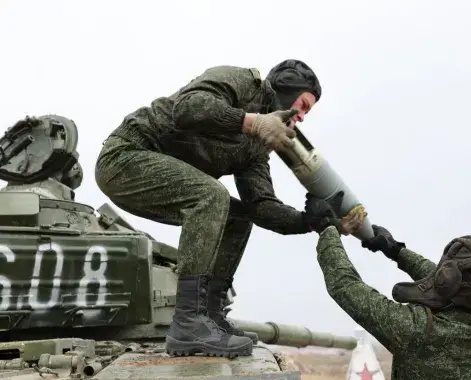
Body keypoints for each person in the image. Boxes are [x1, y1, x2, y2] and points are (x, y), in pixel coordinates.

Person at [94, 60, 365, 358]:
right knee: (211, 195)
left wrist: (312, 221)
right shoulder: (241, 82)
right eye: (302, 106)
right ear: (284, 89)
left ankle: (209, 315)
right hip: (125, 157)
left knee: (238, 217)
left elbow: (261, 207)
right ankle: (188, 321)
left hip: (158, 178)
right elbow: (187, 108)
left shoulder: (256, 148)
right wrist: (253, 122)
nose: (301, 117)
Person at [303, 191, 471, 379]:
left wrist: (327, 231)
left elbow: (346, 286)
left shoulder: (418, 331)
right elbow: (444, 279)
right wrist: (396, 251)